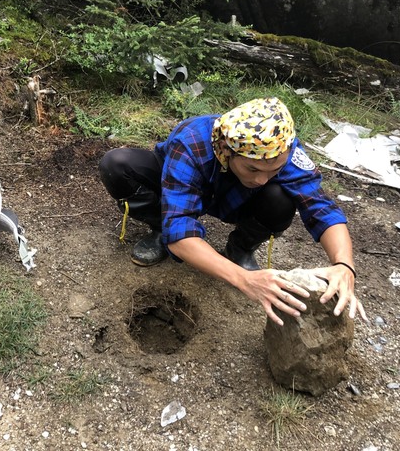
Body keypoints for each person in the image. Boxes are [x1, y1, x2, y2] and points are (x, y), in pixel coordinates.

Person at [99, 97, 366, 326]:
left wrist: (344, 265)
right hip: (181, 187)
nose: (263, 179)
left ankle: (240, 249)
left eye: (274, 171)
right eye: (253, 169)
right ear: (226, 150)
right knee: (118, 165)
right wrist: (243, 280)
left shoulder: (283, 147)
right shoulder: (191, 143)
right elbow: (179, 228)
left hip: (236, 198)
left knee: (281, 198)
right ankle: (158, 227)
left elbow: (321, 208)